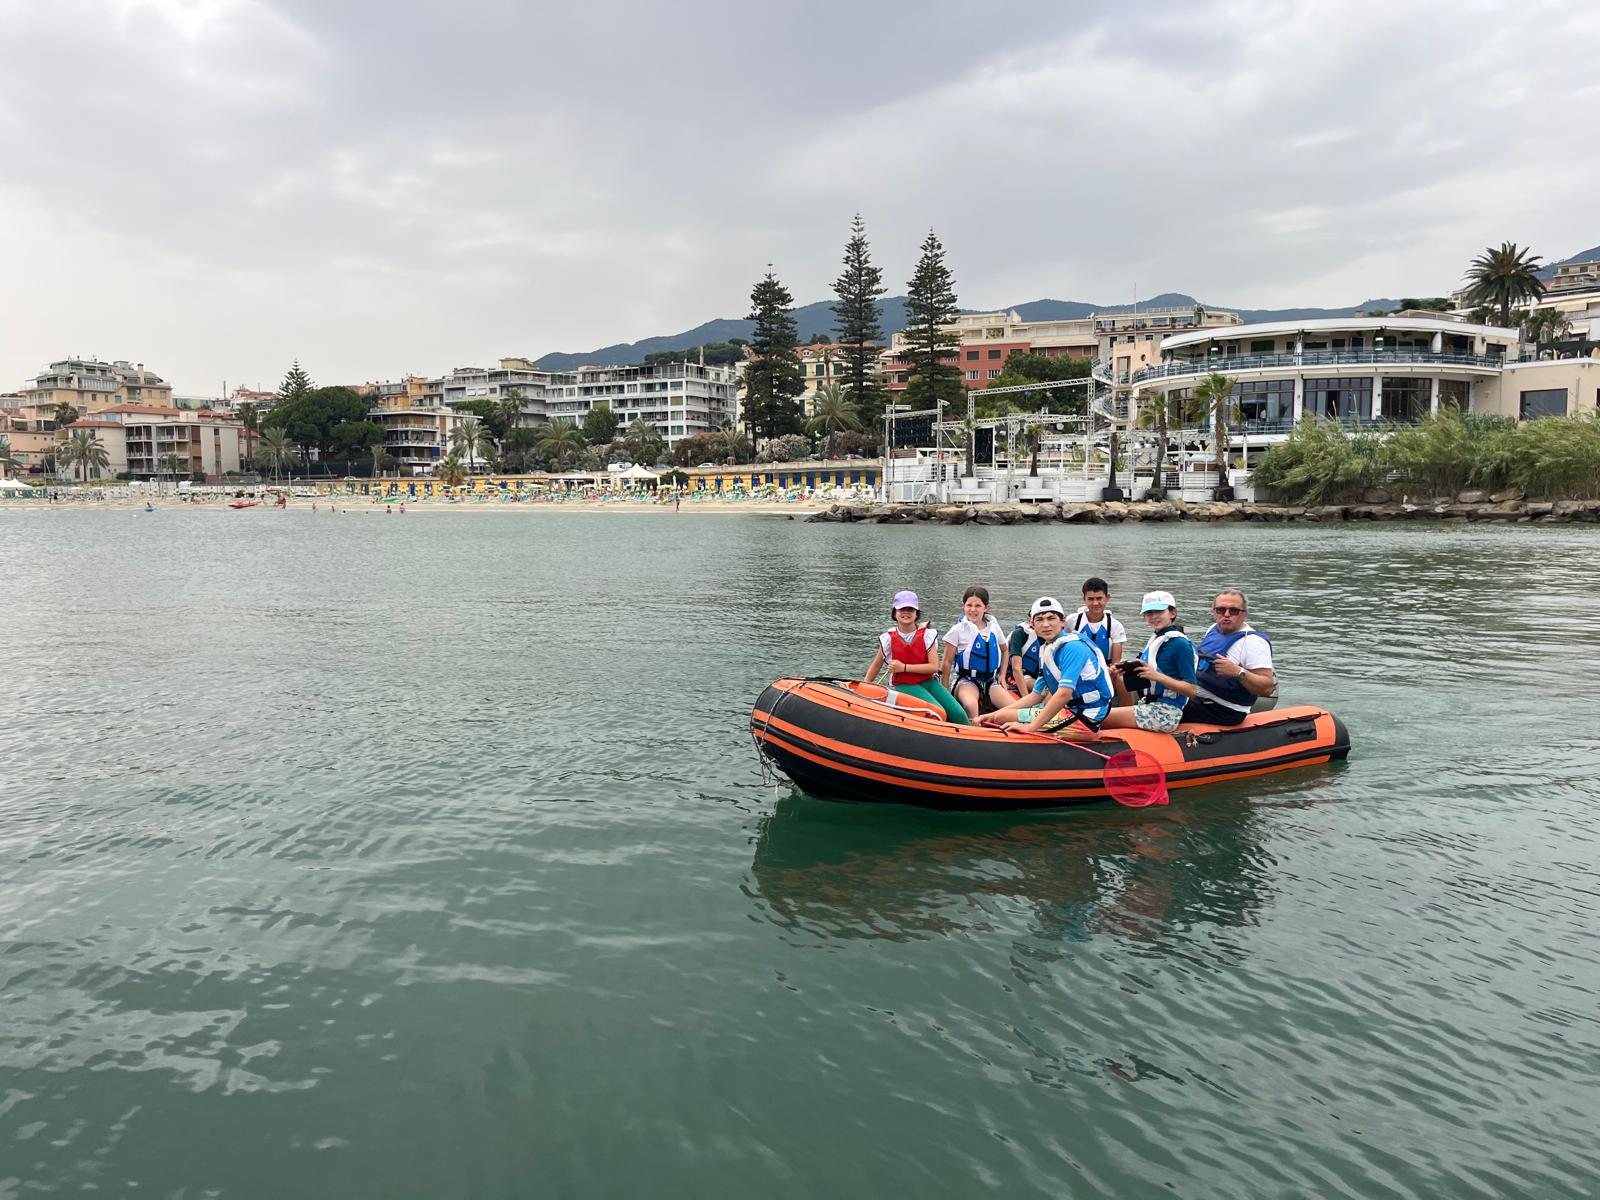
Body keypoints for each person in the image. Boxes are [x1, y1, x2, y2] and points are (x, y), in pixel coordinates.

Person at [980, 597, 1114, 733]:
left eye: (1051, 618)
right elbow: (1036, 695)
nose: (1045, 624)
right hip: (1071, 710)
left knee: (1002, 717)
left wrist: (1030, 728)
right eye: (1039, 620)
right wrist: (991, 715)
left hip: (1086, 718)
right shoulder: (1047, 649)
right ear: (1032, 624)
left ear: (1062, 621)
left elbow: (1064, 694)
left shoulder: (1074, 648)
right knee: (999, 716)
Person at [863, 590, 970, 725]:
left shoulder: (927, 635)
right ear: (895, 613)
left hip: (928, 681)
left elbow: (933, 667)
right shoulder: (888, 639)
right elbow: (876, 665)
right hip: (904, 684)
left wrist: (904, 667)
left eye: (910, 609)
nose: (906, 613)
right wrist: (864, 687)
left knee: (958, 713)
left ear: (916, 613)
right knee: (938, 712)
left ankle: (971, 736)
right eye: (902, 609)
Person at [1099, 590, 1198, 733]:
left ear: (1172, 613)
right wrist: (1122, 673)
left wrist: (1156, 676)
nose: (1154, 617)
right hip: (1147, 704)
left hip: (1165, 713)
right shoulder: (1157, 639)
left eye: (1159, 612)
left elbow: (1191, 690)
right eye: (1149, 613)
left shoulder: (1180, 644)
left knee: (1094, 717)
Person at [1184, 589, 1276, 726]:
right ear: (1214, 612)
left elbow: (1267, 688)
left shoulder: (1254, 642)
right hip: (1197, 694)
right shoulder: (1213, 629)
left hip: (1224, 709)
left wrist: (1238, 672)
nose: (1226, 615)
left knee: (1161, 708)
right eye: (1221, 610)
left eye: (1233, 611)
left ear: (1244, 614)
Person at [941, 586, 1012, 717]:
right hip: (966, 680)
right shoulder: (957, 630)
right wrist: (944, 692)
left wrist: (1002, 675)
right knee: (971, 705)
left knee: (1013, 707)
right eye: (969, 605)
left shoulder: (994, 627)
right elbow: (946, 662)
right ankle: (974, 731)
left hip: (991, 681)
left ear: (986, 608)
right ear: (964, 606)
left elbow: (1005, 650)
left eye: (978, 606)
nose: (973, 609)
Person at [1070, 576, 1126, 665]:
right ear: (1084, 599)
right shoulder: (1072, 621)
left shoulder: (1115, 626)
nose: (1095, 603)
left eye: (1099, 598)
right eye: (1091, 599)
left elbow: (1116, 663)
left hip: (1104, 672)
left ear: (1107, 597)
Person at [1008, 614, 1043, 695]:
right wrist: (1026, 698)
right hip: (1021, 677)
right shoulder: (1020, 634)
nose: (1045, 624)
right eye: (1039, 619)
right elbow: (1016, 668)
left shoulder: (1055, 637)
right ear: (1030, 620)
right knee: (1045, 688)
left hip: (1041, 677)